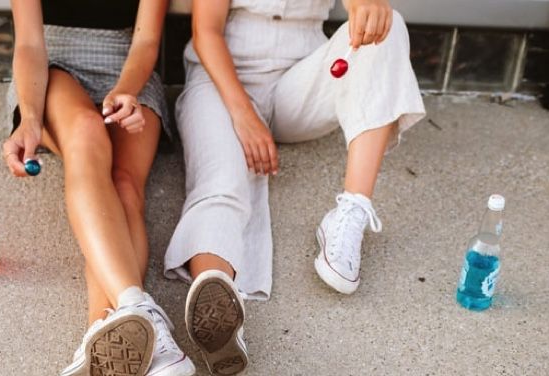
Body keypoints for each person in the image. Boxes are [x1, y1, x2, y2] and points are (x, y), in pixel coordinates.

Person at [165, 0, 426, 374]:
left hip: (301, 79)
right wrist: (245, 116)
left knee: (389, 24)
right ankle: (220, 299)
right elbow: (206, 32)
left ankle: (350, 209)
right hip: (221, 78)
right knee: (221, 179)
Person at [1, 1, 195, 375]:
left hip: (129, 70)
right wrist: (30, 119)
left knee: (124, 185)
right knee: (87, 134)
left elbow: (146, 40)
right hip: (54, 66)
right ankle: (141, 314)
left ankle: (101, 332)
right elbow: (28, 44)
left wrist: (126, 91)